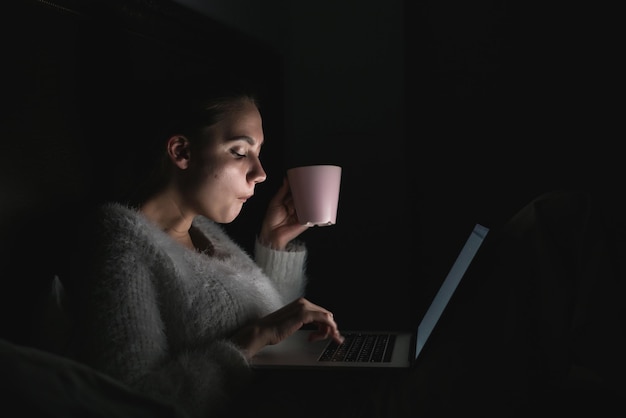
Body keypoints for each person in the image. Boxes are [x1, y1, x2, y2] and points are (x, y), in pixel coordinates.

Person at [59, 78, 626, 418]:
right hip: (324, 410)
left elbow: (269, 331)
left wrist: (274, 248)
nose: (260, 172)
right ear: (181, 151)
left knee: (550, 248)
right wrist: (252, 341)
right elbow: (124, 404)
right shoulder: (121, 241)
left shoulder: (204, 232)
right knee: (554, 225)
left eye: (259, 151)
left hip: (326, 389)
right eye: (240, 151)